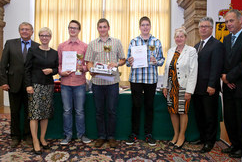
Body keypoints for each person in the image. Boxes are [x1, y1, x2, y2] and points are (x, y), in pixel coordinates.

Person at [85, 18, 126, 148]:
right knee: (99, 111)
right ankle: (101, 136)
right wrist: (91, 69)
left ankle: (111, 136)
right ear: (98, 29)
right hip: (97, 82)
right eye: (100, 27)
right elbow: (89, 61)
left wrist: (117, 63)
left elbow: (123, 59)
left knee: (112, 110)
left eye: (104, 27)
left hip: (112, 81)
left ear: (108, 28)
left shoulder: (116, 42)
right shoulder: (92, 44)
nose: (102, 29)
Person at [126, 16, 165, 146]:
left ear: (150, 26)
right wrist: (130, 61)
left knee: (149, 107)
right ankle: (134, 133)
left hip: (150, 79)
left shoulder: (157, 42)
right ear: (139, 27)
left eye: (147, 24)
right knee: (136, 107)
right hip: (136, 79)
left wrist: (156, 61)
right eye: (143, 25)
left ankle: (148, 134)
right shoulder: (134, 42)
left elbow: (162, 60)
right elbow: (127, 61)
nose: (145, 27)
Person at [0, 22, 39, 147]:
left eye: (27, 29)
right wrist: (4, 82)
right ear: (19, 31)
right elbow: (3, 65)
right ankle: (15, 136)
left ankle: (28, 135)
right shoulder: (10, 44)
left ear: (32, 32)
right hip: (13, 83)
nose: (25, 31)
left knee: (29, 112)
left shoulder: (37, 46)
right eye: (22, 29)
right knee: (15, 111)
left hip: (30, 86)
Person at [162, 27, 198, 149]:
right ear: (174, 38)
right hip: (171, 86)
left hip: (183, 86)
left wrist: (189, 90)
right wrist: (165, 86)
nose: (179, 39)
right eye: (177, 37)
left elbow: (193, 71)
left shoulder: (191, 51)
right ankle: (176, 134)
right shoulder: (171, 51)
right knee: (173, 111)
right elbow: (166, 69)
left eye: (181, 36)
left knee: (182, 112)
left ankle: (182, 136)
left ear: (185, 38)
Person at [192, 17, 224, 153]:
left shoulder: (217, 45)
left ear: (211, 29)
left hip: (209, 88)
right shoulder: (196, 46)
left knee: (210, 116)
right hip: (197, 87)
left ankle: (210, 142)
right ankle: (203, 138)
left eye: (206, 26)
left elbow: (216, 67)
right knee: (199, 114)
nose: (203, 29)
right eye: (201, 27)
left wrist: (212, 85)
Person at [25, 27, 58, 154]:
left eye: (47, 35)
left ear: (50, 37)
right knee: (34, 115)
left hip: (48, 86)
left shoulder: (54, 53)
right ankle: (35, 141)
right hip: (35, 86)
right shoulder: (32, 50)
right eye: (42, 35)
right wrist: (28, 85)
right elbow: (26, 69)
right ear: (39, 37)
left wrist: (52, 71)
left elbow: (56, 68)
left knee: (45, 114)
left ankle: (42, 138)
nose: (44, 37)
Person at [58, 20, 91, 145]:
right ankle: (67, 135)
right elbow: (59, 64)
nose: (73, 30)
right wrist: (61, 72)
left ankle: (81, 135)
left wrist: (83, 68)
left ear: (79, 30)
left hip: (79, 83)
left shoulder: (85, 46)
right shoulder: (61, 46)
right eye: (71, 28)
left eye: (75, 28)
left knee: (79, 111)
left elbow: (88, 65)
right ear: (68, 29)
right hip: (65, 83)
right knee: (66, 111)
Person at [221, 9, 242, 158]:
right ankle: (234, 144)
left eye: (231, 21)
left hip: (240, 86)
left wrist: (229, 77)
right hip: (227, 85)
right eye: (226, 21)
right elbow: (223, 61)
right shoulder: (225, 39)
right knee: (229, 117)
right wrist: (224, 78)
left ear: (240, 20)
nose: (228, 24)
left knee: (240, 118)